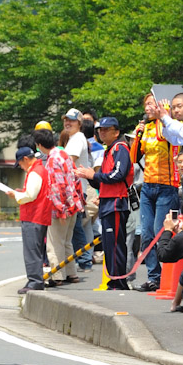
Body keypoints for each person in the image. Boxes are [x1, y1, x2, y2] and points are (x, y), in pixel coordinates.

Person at [75, 117, 134, 290]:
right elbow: (103, 181)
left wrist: (93, 175)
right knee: (110, 244)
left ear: (116, 132)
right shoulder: (110, 149)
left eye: (106, 129)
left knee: (115, 244)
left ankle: (119, 281)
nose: (102, 132)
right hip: (108, 201)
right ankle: (114, 280)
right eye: (100, 129)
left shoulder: (120, 148)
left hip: (116, 202)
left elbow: (118, 174)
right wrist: (88, 176)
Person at [130, 93, 181, 292]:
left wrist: (163, 115)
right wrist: (138, 135)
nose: (148, 108)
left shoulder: (165, 125)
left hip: (166, 186)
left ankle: (168, 277)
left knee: (162, 232)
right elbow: (135, 157)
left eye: (151, 103)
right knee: (146, 234)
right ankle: (154, 277)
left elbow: (166, 137)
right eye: (146, 105)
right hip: (148, 186)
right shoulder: (145, 128)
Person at [33, 129, 84, 286]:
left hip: (60, 207)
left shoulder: (52, 159)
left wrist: (61, 209)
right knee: (67, 242)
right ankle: (71, 273)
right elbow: (74, 179)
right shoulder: (64, 155)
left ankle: (57, 276)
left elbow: (57, 186)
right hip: (73, 204)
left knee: (55, 244)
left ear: (39, 145)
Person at [7, 145, 52, 294]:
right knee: (36, 250)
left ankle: (34, 281)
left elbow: (31, 195)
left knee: (31, 250)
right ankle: (35, 279)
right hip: (40, 215)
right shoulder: (40, 169)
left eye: (20, 163)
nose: (20, 166)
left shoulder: (34, 172)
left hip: (33, 215)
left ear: (25, 159)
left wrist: (16, 195)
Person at [63, 108, 93, 272]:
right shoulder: (75, 138)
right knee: (77, 226)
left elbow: (68, 162)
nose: (67, 123)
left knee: (75, 227)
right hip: (76, 188)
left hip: (76, 189)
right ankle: (83, 259)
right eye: (66, 120)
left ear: (79, 123)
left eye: (71, 120)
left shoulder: (77, 139)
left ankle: (84, 260)